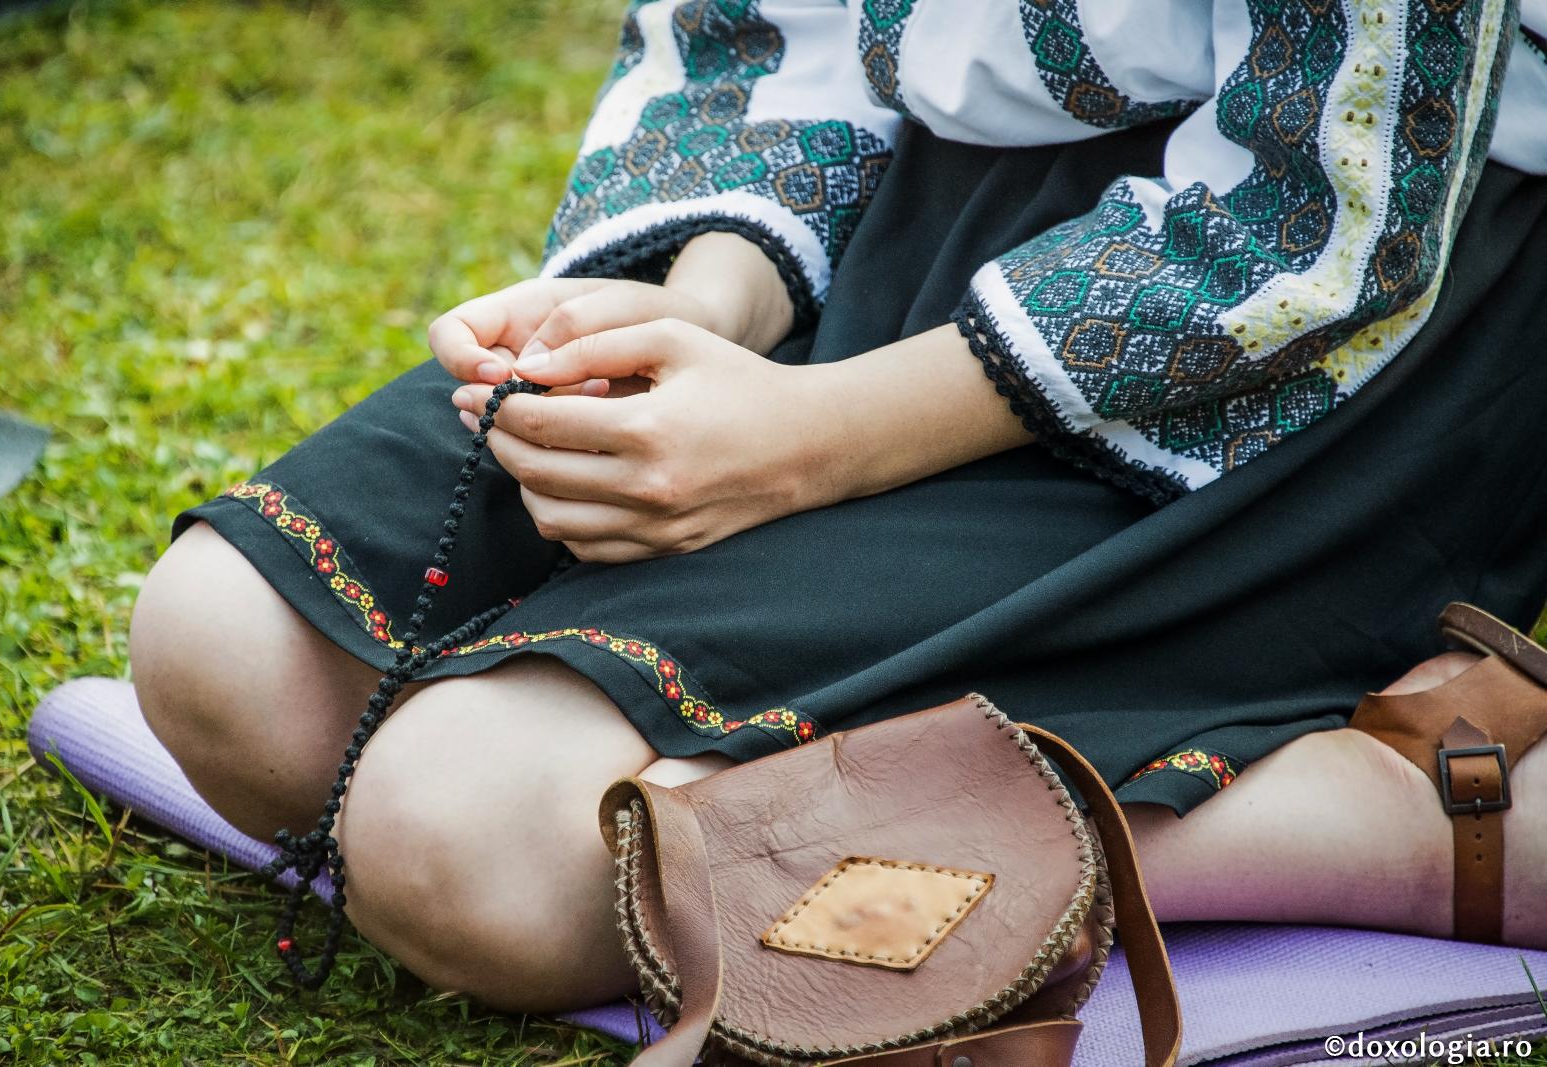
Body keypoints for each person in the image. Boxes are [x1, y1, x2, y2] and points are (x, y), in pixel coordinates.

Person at [129, 0, 1547, 1012]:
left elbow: (1335, 206)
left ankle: (1384, 828)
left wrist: (808, 440)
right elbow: (766, 27)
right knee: (235, 654)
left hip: (1303, 348)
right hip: (904, 222)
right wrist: (708, 307)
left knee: (464, 843)